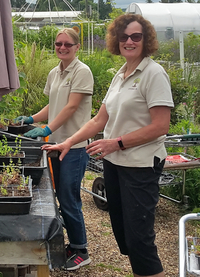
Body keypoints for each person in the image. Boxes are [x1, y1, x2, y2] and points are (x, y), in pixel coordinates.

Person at [43, 14, 173, 277]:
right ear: (116, 40)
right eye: (123, 36)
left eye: (136, 36)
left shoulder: (153, 73)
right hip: (114, 164)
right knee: (125, 237)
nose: (129, 41)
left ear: (145, 40)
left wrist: (117, 142)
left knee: (140, 240)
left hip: (140, 165)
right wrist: (67, 142)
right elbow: (100, 119)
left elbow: (161, 126)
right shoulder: (120, 75)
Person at [15, 27, 94, 270]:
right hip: (56, 145)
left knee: (69, 198)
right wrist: (30, 118)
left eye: (67, 44)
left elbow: (70, 108)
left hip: (74, 145)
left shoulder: (82, 72)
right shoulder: (54, 72)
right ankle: (69, 243)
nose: (62, 47)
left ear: (77, 47)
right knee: (58, 195)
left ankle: (81, 249)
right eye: (58, 43)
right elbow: (52, 106)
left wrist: (47, 130)